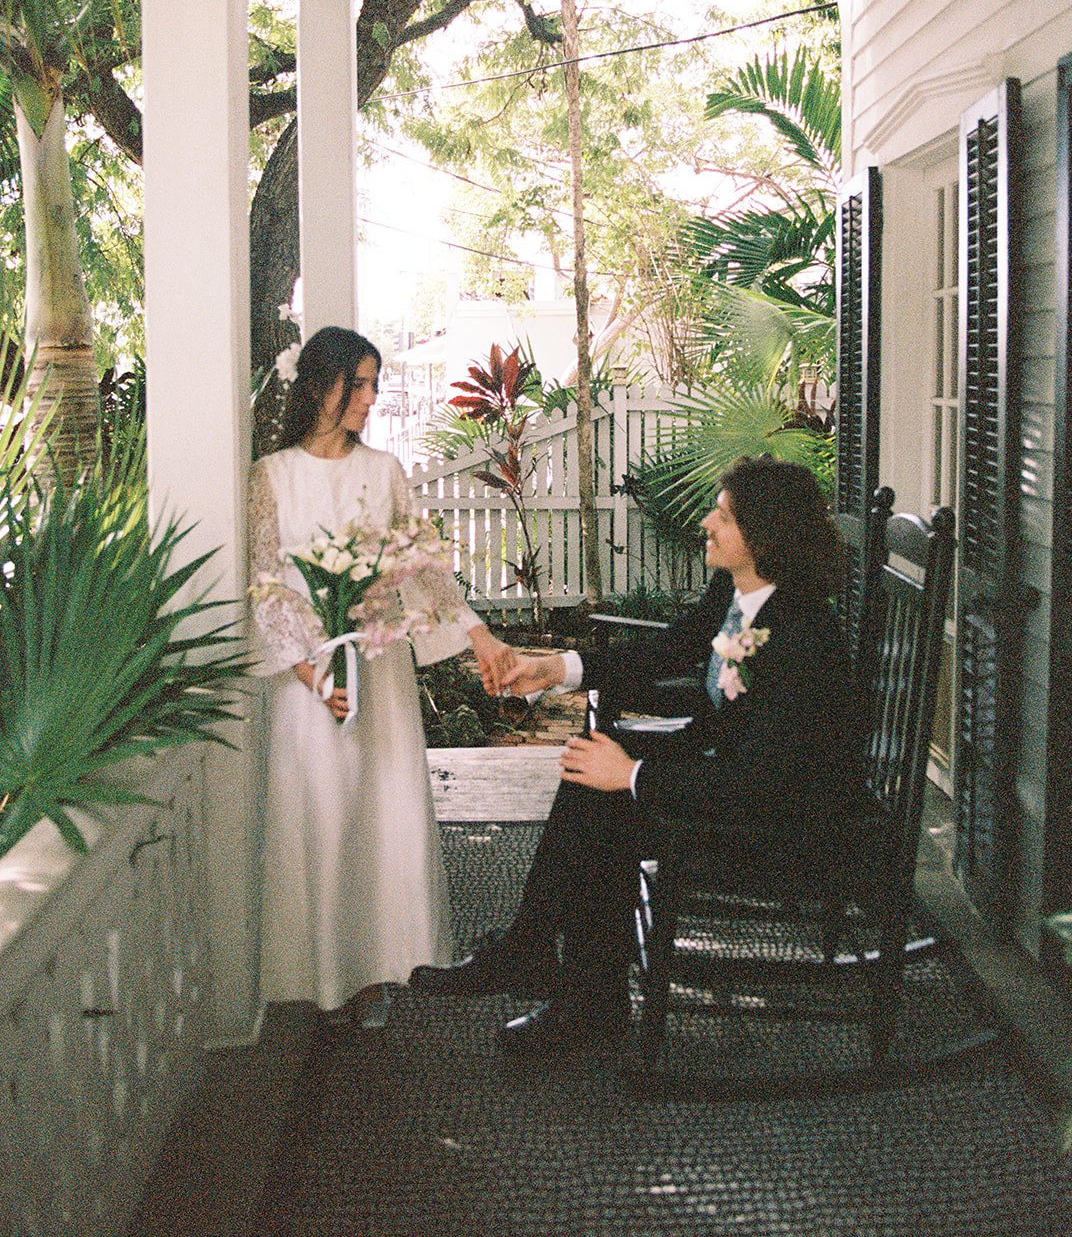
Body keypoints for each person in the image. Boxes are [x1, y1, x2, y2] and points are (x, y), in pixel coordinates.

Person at [410, 455, 859, 1057]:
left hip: (787, 821)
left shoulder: (802, 635)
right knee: (593, 767)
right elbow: (675, 648)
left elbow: (764, 779)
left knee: (610, 796)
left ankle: (577, 996)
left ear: (763, 537)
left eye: (722, 517)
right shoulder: (741, 589)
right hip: (736, 768)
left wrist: (636, 775)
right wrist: (557, 669)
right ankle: (543, 957)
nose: (706, 523)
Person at [249, 326, 510, 1022]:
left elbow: (421, 567)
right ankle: (319, 973)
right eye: (356, 384)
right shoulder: (270, 476)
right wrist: (315, 679)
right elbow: (267, 585)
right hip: (310, 682)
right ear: (316, 388)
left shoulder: (386, 471)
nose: (369, 399)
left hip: (379, 667)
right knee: (322, 820)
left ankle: (374, 972)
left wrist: (478, 633)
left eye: (373, 385)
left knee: (375, 817)